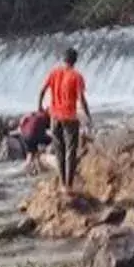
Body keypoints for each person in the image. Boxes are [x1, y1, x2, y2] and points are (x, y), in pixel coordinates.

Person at [39, 48, 92, 193]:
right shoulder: (76, 76)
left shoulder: (54, 73)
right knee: (70, 151)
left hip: (54, 116)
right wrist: (88, 116)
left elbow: (42, 91)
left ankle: (62, 182)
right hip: (69, 117)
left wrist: (40, 108)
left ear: (64, 59)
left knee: (59, 150)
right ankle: (69, 185)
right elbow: (81, 98)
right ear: (75, 61)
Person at [17, 108, 52, 175]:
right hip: (33, 135)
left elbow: (23, 120)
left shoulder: (34, 114)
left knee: (30, 153)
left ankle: (30, 168)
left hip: (25, 135)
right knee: (52, 141)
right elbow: (52, 130)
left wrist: (21, 129)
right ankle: (37, 166)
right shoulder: (46, 117)